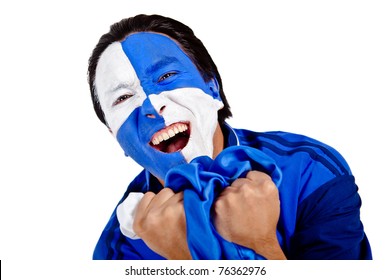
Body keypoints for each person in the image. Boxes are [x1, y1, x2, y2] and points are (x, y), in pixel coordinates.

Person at [87, 14, 372, 260]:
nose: (151, 106)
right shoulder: (118, 252)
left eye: (166, 76)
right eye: (123, 97)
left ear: (213, 89)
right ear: (115, 136)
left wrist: (260, 243)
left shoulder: (311, 172)